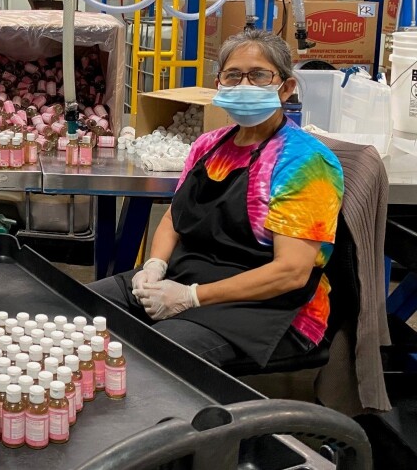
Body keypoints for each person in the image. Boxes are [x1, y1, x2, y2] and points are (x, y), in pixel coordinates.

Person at [90, 29, 344, 369]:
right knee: (75, 309)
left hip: (267, 307)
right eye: (233, 75)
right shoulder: (208, 146)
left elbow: (291, 273)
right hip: (184, 276)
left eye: (258, 75)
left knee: (147, 360)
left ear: (285, 87)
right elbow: (173, 219)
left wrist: (191, 297)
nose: (244, 85)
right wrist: (155, 266)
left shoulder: (305, 161)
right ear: (219, 84)